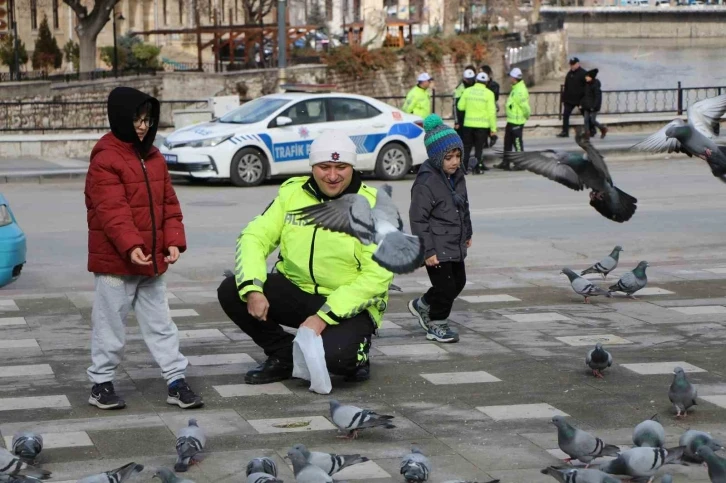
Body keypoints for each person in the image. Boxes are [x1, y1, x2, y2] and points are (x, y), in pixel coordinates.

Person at [216, 132, 394, 385]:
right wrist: (254, 290)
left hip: (352, 304)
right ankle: (283, 355)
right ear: (312, 167)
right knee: (234, 289)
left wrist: (323, 318)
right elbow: (254, 236)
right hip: (298, 291)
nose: (332, 176)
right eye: (324, 167)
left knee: (339, 361)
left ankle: (358, 355)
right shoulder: (291, 194)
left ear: (352, 166)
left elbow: (377, 277)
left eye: (341, 167)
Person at [85, 87, 203, 410]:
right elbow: (112, 212)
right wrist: (132, 246)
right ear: (120, 117)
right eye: (137, 119)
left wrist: (174, 241)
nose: (142, 126)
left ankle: (175, 380)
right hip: (116, 263)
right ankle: (100, 383)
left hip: (151, 261)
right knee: (109, 325)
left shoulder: (153, 156)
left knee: (161, 323)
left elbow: (168, 205)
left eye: (147, 120)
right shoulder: (106, 159)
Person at [408, 114, 472, 344]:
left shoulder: (457, 176)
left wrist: (468, 233)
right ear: (436, 158)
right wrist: (427, 251)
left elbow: (463, 206)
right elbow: (418, 219)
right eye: (448, 157)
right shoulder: (426, 182)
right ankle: (437, 324)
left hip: (454, 241)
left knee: (458, 282)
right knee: (445, 287)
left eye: (457, 156)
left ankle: (422, 304)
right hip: (436, 245)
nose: (454, 162)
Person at [457, 72, 497, 174]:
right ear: (486, 82)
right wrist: (493, 130)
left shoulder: (467, 91)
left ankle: (463, 168)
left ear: (476, 80)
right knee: (479, 149)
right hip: (482, 126)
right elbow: (492, 113)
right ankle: (476, 169)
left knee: (466, 148)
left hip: (468, 125)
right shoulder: (489, 94)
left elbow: (460, 106)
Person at [495, 68, 531, 171]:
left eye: (510, 76)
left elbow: (525, 107)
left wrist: (526, 116)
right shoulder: (516, 88)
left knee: (517, 143)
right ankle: (506, 162)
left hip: (517, 121)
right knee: (507, 142)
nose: (509, 78)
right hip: (511, 120)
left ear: (514, 78)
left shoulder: (520, 91)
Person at [557, 57, 587, 138]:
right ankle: (565, 132)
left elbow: (587, 88)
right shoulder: (569, 73)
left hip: (580, 100)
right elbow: (566, 86)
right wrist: (564, 98)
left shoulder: (584, 73)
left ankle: (592, 130)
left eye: (573, 64)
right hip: (569, 100)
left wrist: (584, 101)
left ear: (578, 64)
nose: (572, 66)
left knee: (586, 115)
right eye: (571, 64)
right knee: (565, 115)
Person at [582, 68, 608, 139]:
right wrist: (581, 104)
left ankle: (603, 128)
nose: (585, 77)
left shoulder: (596, 85)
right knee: (586, 120)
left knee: (592, 120)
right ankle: (587, 134)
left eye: (587, 76)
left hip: (594, 106)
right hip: (587, 105)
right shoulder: (586, 84)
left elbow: (598, 98)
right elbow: (584, 95)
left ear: (591, 77)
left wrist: (594, 106)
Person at [481, 65, 501, 147]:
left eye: (481, 71)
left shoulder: (494, 85)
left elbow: (495, 97)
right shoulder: (480, 84)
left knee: (489, 123)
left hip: (490, 107)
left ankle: (492, 136)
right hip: (482, 106)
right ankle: (485, 141)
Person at [453, 66, 476, 137]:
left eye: (472, 79)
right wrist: (456, 122)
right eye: (468, 79)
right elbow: (455, 105)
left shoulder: (476, 86)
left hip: (473, 117)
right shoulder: (460, 88)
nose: (470, 81)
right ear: (464, 78)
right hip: (462, 117)